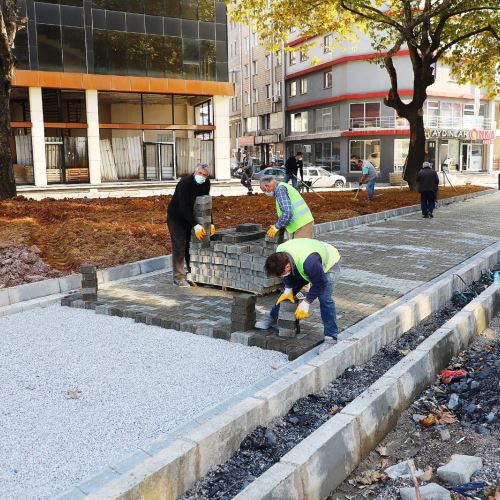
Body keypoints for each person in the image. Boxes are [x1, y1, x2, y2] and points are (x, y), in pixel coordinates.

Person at [255, 238, 342, 340]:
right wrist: (288, 288)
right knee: (286, 294)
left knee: (324, 298)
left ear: (287, 267)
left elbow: (320, 283)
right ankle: (271, 317)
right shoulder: (280, 253)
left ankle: (331, 336)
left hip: (330, 264)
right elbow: (287, 276)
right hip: (303, 260)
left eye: (280, 275)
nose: (280, 277)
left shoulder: (310, 264)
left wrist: (306, 302)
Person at [166, 166, 215, 287]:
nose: (202, 176)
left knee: (190, 246)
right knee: (180, 247)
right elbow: (183, 207)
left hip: (191, 217)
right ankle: (178, 278)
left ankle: (193, 274)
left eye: (205, 175)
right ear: (195, 172)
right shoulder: (184, 184)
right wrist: (195, 225)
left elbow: (206, 203)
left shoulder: (206, 183)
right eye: (200, 173)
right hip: (176, 217)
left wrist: (211, 222)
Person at [260, 175, 314, 239]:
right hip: (302, 223)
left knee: (300, 248)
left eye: (265, 190)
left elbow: (287, 212)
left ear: (267, 186)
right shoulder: (282, 186)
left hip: (302, 225)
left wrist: (276, 227)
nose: (266, 193)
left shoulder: (280, 190)